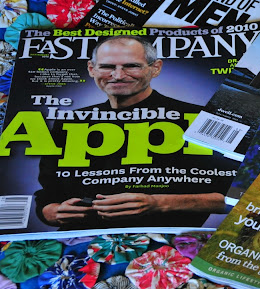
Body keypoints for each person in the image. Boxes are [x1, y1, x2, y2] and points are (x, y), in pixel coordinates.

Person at [34, 35, 234, 230]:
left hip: (169, 243)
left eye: (132, 66)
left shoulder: (200, 118)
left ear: (155, 68)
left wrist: (158, 203)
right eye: (107, 66)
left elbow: (235, 197)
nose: (118, 75)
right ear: (92, 69)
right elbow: (47, 196)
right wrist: (54, 212)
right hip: (81, 239)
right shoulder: (70, 121)